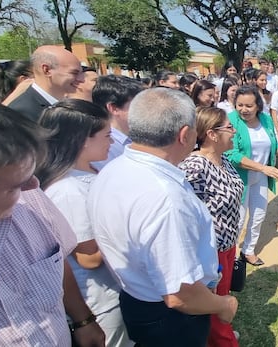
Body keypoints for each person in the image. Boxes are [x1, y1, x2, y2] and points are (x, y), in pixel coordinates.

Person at [88, 88, 238, 346]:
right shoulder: (165, 198)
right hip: (171, 318)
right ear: (184, 134)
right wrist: (224, 304)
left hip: (137, 301)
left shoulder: (112, 170)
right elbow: (180, 295)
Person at [0, 93, 105, 347]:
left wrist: (83, 319)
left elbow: (56, 258)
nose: (34, 185)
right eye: (13, 186)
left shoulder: (31, 200)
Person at [35, 99, 133, 347]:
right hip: (100, 303)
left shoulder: (88, 172)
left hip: (114, 292)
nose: (111, 142)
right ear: (81, 139)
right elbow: (89, 258)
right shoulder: (69, 189)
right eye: (106, 135)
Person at [179, 106, 244, 347]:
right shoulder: (195, 166)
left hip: (227, 245)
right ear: (212, 134)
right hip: (209, 251)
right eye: (229, 127)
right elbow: (187, 213)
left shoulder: (224, 160)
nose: (234, 131)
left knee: (223, 298)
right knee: (214, 306)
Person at [226, 86, 278, 266]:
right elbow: (233, 154)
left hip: (260, 178)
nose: (244, 110)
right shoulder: (231, 121)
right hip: (240, 179)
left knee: (259, 215)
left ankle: (248, 250)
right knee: (238, 219)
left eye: (249, 106)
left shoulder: (266, 120)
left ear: (258, 106)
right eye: (240, 105)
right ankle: (228, 255)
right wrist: (262, 168)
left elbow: (273, 146)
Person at [8, 45, 85, 120]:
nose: (82, 79)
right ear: (47, 70)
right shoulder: (22, 112)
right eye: (74, 73)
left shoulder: (71, 104)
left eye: (82, 73)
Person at [90, 75, 144, 170]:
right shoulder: (102, 148)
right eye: (137, 105)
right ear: (114, 108)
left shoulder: (137, 138)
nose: (145, 109)